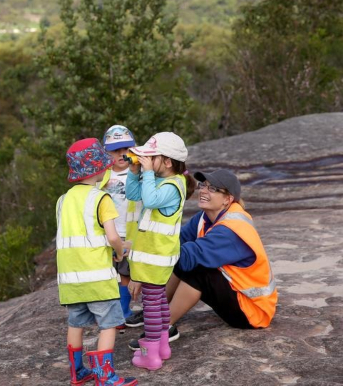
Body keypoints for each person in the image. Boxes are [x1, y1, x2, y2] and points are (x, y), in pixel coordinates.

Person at [128, 169, 278, 351]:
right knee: (178, 257)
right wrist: (144, 249)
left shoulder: (232, 230)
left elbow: (186, 257)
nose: (204, 191)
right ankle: (154, 313)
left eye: (213, 188)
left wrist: (143, 252)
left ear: (227, 199)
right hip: (234, 295)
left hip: (251, 312)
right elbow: (175, 242)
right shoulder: (204, 218)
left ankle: (162, 328)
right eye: (203, 186)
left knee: (197, 269)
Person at [58, 138, 137, 386]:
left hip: (70, 279)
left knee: (76, 323)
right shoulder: (101, 199)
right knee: (109, 324)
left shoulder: (63, 200)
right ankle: (105, 376)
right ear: (101, 169)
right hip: (97, 277)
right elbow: (113, 236)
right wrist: (120, 252)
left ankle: (77, 372)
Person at [124, 132, 195, 371]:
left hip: (157, 257)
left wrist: (145, 174)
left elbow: (151, 200)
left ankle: (150, 354)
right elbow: (135, 196)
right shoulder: (161, 181)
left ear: (167, 162)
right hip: (152, 257)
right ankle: (163, 346)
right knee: (159, 304)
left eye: (150, 157)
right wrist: (135, 174)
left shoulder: (174, 186)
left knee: (152, 306)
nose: (145, 161)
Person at [100, 125, 137, 331]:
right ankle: (110, 313)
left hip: (128, 233)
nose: (122, 154)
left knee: (126, 274)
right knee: (107, 274)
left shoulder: (137, 173)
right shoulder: (102, 176)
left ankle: (122, 312)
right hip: (107, 233)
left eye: (126, 149)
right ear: (107, 153)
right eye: (115, 150)